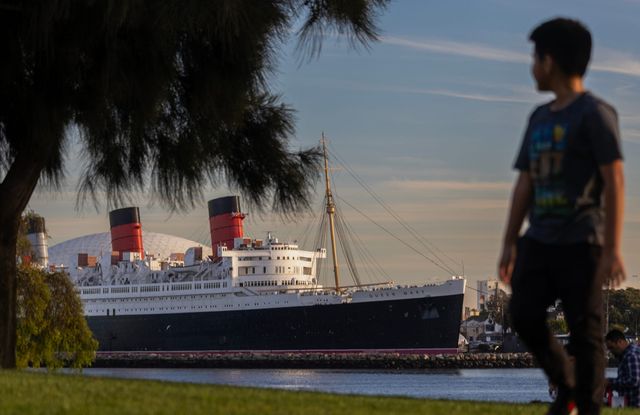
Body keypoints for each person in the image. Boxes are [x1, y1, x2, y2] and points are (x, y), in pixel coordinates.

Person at [498, 17, 625, 415]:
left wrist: (611, 249)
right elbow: (525, 183)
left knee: (587, 334)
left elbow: (615, 181)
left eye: (534, 58)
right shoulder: (539, 118)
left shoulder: (596, 114)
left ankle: (584, 405)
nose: (531, 66)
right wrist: (508, 241)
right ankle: (567, 384)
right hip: (539, 239)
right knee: (522, 313)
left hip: (583, 240)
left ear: (549, 61)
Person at [605, 329, 640, 407]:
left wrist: (610, 383)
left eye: (611, 347)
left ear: (620, 342)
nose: (611, 351)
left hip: (635, 405)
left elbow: (634, 380)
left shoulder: (631, 355)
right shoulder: (627, 355)